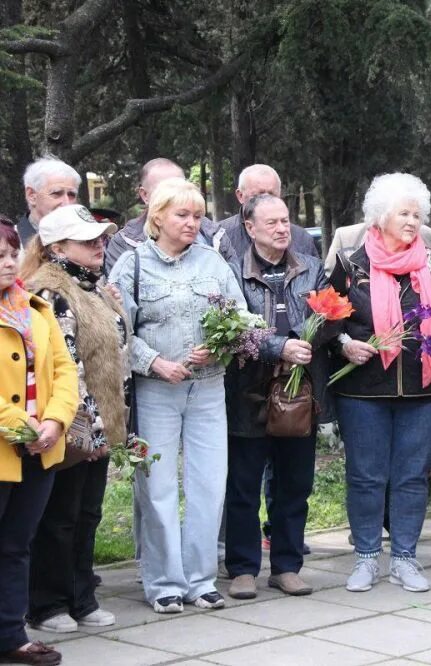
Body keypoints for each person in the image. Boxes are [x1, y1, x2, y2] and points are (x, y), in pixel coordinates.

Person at [109, 178, 246, 614]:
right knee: (158, 486)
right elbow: (113, 332)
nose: (191, 223)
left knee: (209, 486)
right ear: (158, 217)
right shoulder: (131, 266)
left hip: (207, 389)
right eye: (181, 215)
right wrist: (154, 362)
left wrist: (222, 344)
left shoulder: (213, 263)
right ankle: (164, 581)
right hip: (155, 391)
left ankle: (201, 580)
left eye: (197, 216)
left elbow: (242, 317)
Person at [329, 173, 431, 594]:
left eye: (418, 215)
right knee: (365, 475)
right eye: (404, 213)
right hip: (363, 390)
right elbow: (328, 318)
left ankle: (404, 558)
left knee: (413, 476)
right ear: (379, 218)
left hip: (422, 391)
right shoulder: (351, 264)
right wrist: (346, 344)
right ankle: (366, 556)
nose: (413, 222)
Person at [17, 206, 126, 635]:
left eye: (101, 239)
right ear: (57, 247)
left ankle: (82, 596)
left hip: (99, 426)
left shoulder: (93, 286)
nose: (100, 245)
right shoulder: (51, 291)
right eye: (88, 240)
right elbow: (67, 365)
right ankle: (47, 604)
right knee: (59, 517)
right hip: (68, 427)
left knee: (87, 514)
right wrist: (86, 427)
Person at [223, 194, 327, 601]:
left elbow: (330, 317)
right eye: (273, 223)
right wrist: (278, 347)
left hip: (298, 395)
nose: (283, 229)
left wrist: (308, 341)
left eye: (286, 221)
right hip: (248, 395)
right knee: (244, 486)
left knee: (294, 485)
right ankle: (244, 568)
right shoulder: (230, 271)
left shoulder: (311, 268)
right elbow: (231, 326)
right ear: (250, 227)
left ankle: (286, 566)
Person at [0, 214, 78, 666]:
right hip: (11, 444)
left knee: (15, 544)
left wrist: (55, 422)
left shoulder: (35, 310)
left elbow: (64, 371)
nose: (10, 264)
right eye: (0, 257)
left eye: (13, 254)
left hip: (40, 448)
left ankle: (11, 633)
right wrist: (25, 428)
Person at [104, 158, 236, 273]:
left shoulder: (214, 238)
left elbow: (232, 297)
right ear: (145, 195)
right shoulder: (125, 244)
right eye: (166, 190)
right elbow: (119, 298)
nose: (177, 195)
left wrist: (214, 301)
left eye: (182, 187)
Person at [218, 164, 318, 262]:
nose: (266, 202)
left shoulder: (301, 239)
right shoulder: (219, 237)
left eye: (271, 195)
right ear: (240, 195)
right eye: (258, 196)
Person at [17, 157, 80, 243]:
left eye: (71, 195)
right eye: (56, 193)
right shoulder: (9, 244)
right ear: (31, 195)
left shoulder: (86, 240)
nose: (66, 203)